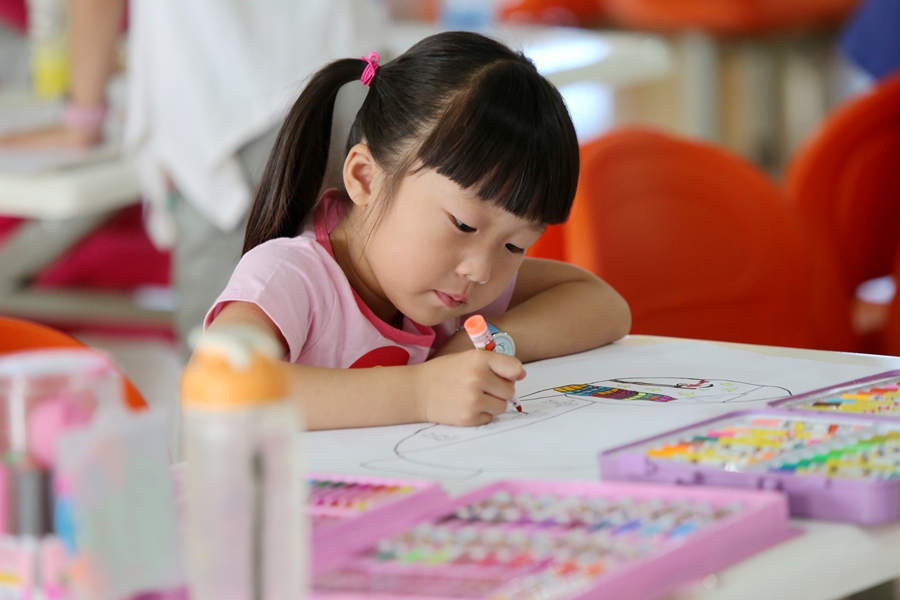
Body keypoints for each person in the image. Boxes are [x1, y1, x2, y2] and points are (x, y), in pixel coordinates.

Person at [199, 31, 632, 431]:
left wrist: (490, 340)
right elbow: (220, 385)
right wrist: (420, 393)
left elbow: (604, 306)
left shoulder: (454, 291)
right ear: (366, 178)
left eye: (515, 245)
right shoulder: (292, 276)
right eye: (463, 224)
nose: (481, 270)